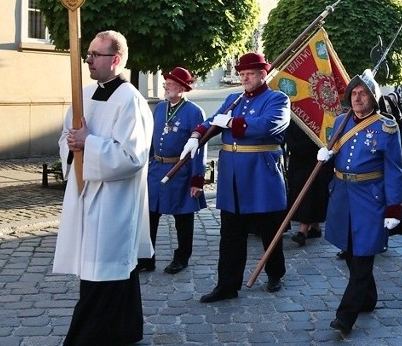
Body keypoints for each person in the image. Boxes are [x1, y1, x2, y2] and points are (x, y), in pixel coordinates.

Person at [49, 30, 154, 346]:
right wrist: (74, 143)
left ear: (117, 60)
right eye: (89, 54)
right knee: (114, 270)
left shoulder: (131, 101)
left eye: (96, 55)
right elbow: (69, 139)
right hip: (86, 195)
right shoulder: (85, 95)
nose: (89, 60)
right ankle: (127, 330)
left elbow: (132, 155)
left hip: (114, 203)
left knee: (102, 275)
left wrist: (88, 144)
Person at [179, 52, 290, 302]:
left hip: (261, 173)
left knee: (269, 228)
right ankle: (227, 285)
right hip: (233, 178)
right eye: (241, 74)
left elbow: (268, 125)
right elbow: (212, 121)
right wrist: (197, 135)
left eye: (250, 74)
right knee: (230, 233)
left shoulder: (277, 99)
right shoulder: (232, 98)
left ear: (263, 74)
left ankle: (275, 273)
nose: (245, 78)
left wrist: (232, 123)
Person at [319, 70, 402, 334]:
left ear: (373, 97)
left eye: (363, 93)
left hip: (370, 198)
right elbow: (336, 152)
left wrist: (394, 207)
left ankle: (345, 316)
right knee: (350, 250)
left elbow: (394, 170)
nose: (357, 97)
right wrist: (326, 155)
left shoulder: (386, 127)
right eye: (354, 93)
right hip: (343, 194)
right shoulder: (341, 122)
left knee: (363, 254)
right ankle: (368, 297)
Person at [140, 67, 206, 274]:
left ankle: (182, 257)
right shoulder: (159, 108)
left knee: (183, 217)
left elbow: (199, 146)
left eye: (169, 84)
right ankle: (146, 258)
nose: (166, 87)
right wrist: (147, 164)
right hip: (157, 168)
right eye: (166, 83)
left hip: (180, 170)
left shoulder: (194, 112)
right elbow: (151, 137)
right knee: (150, 215)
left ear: (181, 87)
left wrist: (197, 179)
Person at [285, 120, 332, 247]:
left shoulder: (318, 117)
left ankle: (302, 231)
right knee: (303, 193)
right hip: (297, 161)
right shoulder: (293, 117)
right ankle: (315, 227)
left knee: (308, 195)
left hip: (314, 161)